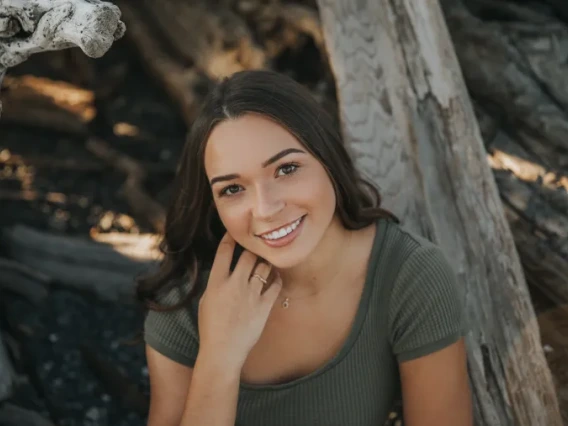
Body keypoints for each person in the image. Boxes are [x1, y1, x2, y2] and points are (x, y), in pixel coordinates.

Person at [139, 69, 473, 426]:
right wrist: (219, 357)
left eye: (286, 169)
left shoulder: (409, 277)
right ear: (214, 205)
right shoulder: (185, 310)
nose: (266, 209)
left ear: (328, 159)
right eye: (233, 189)